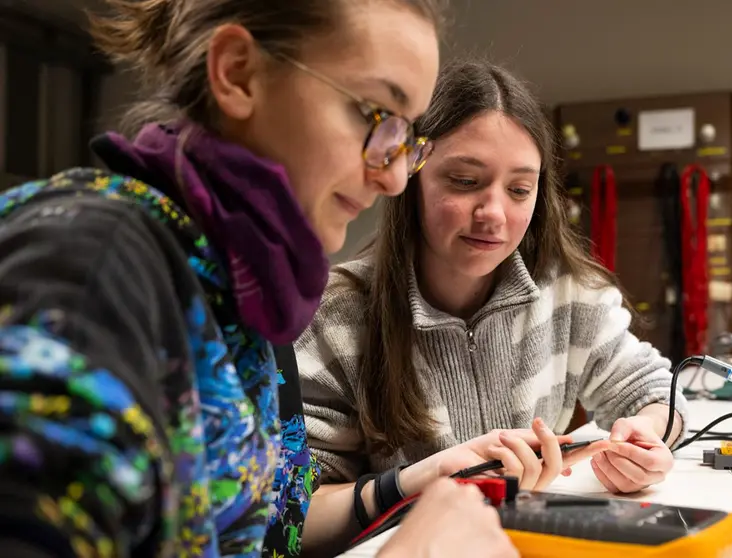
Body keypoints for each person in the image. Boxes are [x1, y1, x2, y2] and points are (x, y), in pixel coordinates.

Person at [0, 1, 520, 557]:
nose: (393, 177)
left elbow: (269, 534)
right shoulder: (91, 269)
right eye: (375, 115)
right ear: (238, 73)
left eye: (405, 137)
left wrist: (411, 482)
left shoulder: (245, 286)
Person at [296, 59, 690, 520]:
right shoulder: (338, 316)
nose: (494, 214)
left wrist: (646, 438)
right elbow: (293, 511)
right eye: (465, 182)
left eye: (519, 190)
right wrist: (414, 484)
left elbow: (656, 392)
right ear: (411, 179)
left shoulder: (569, 293)